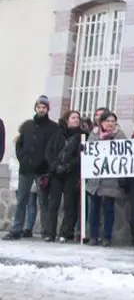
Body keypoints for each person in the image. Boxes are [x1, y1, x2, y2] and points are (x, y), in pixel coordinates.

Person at [4, 95, 58, 241]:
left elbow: (53, 147)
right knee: (22, 200)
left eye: (44, 107)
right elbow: (19, 144)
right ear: (35, 108)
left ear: (48, 109)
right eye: (39, 107)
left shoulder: (53, 127)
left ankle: (47, 232)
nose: (41, 110)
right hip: (26, 168)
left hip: (42, 170)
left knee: (43, 201)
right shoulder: (27, 125)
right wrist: (22, 158)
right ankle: (16, 229)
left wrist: (46, 162)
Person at [86, 110, 127, 246]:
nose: (110, 124)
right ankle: (93, 236)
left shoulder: (120, 135)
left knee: (109, 209)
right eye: (107, 121)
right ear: (101, 122)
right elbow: (89, 153)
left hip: (111, 178)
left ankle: (107, 237)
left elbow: (125, 153)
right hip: (96, 179)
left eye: (112, 121)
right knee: (94, 209)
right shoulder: (94, 134)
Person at [44, 110, 85, 243]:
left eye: (78, 118)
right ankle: (49, 233)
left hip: (71, 174)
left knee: (69, 205)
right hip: (56, 173)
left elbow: (81, 156)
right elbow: (49, 151)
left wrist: (68, 166)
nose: (76, 120)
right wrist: (55, 166)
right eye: (73, 117)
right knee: (53, 204)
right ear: (67, 120)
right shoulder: (57, 134)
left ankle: (65, 232)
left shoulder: (82, 136)